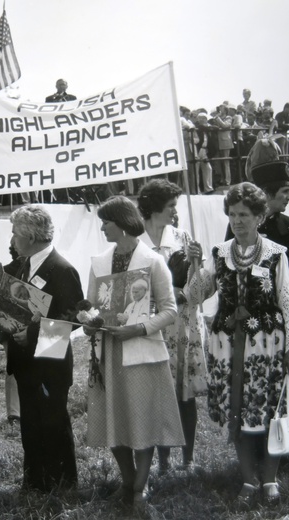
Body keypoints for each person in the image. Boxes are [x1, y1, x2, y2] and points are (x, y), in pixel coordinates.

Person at [188, 182, 289, 509]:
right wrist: (194, 263)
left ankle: (270, 478)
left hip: (267, 347)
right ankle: (248, 478)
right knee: (240, 414)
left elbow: (287, 303)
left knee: (268, 411)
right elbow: (194, 295)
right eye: (232, 214)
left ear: (260, 217)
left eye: (244, 214)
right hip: (228, 347)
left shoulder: (277, 255)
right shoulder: (218, 253)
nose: (237, 220)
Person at [85, 195, 184, 514]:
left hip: (142, 352)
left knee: (141, 423)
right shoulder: (99, 262)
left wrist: (139, 329)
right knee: (115, 424)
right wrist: (89, 324)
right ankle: (128, 482)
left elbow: (170, 309)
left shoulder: (153, 261)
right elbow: (91, 306)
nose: (102, 227)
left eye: (106, 222)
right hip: (109, 354)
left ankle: (139, 490)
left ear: (124, 224)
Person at [0, 205, 83, 493]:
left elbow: (73, 319)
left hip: (50, 363)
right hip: (25, 364)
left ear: (30, 235)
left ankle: (63, 482)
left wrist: (32, 334)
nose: (12, 240)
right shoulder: (23, 264)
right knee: (31, 424)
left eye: (14, 233)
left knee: (54, 422)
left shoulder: (63, 269)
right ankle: (34, 480)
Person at [137, 180, 208, 474]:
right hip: (153, 326)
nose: (175, 211)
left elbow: (199, 287)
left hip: (183, 325)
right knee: (159, 394)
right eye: (170, 206)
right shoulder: (136, 241)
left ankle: (188, 459)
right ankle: (163, 462)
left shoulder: (182, 237)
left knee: (185, 393)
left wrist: (195, 265)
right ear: (154, 208)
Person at [225, 161, 289, 260]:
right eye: (285, 191)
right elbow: (227, 260)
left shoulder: (286, 224)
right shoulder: (239, 224)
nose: (288, 197)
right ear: (267, 193)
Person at [0, 242, 21, 429]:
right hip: (10, 326)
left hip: (32, 327)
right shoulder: (6, 270)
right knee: (12, 367)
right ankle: (14, 412)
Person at [213, 103, 233, 186]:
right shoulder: (218, 118)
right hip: (218, 141)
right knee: (219, 161)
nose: (219, 109)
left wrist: (217, 118)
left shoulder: (228, 117)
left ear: (225, 109)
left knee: (226, 162)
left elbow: (225, 125)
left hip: (225, 141)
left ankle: (228, 180)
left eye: (221, 108)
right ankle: (222, 179)